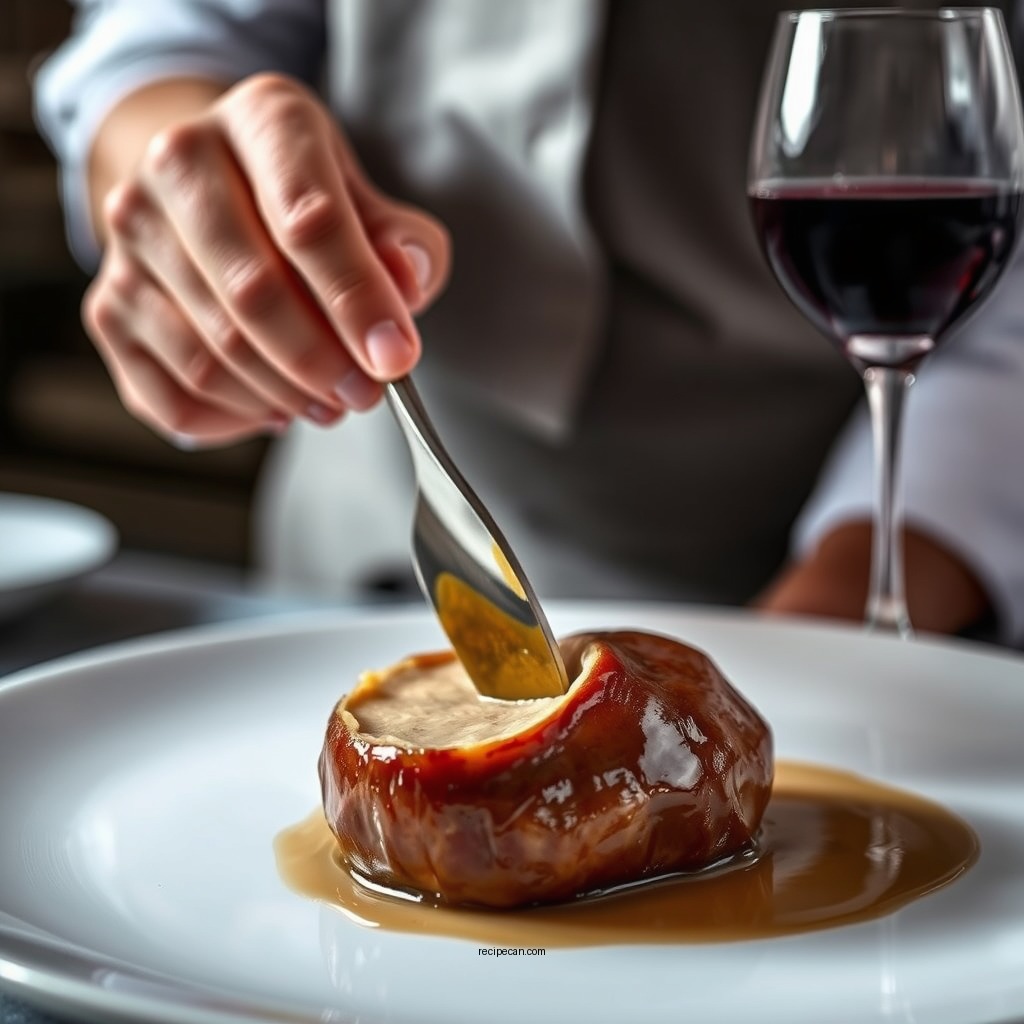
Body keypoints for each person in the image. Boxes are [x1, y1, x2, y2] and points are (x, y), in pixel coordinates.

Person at [33, 1, 1024, 642]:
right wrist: (186, 185)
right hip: (348, 567)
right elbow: (170, 38)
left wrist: (813, 660)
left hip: (822, 569)